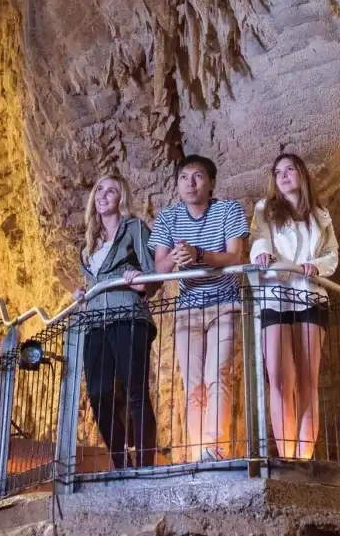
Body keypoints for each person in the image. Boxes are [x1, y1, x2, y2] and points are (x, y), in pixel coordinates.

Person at [148, 155, 249, 462]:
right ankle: (196, 453)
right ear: (177, 184)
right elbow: (159, 267)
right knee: (192, 383)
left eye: (198, 177)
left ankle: (215, 450)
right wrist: (178, 257)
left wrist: (200, 254)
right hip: (187, 310)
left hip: (224, 304)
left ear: (211, 183)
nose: (190, 183)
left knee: (217, 376)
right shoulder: (168, 217)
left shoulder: (228, 209)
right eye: (183, 178)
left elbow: (235, 258)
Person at [249, 153, 338, 460]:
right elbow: (258, 238)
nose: (283, 176)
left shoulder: (320, 215)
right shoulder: (265, 209)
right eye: (278, 172)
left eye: (289, 170)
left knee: (307, 379)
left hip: (309, 293)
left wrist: (313, 266)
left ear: (301, 174)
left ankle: (303, 456)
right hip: (275, 293)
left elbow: (331, 256)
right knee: (279, 377)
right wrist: (261, 253)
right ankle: (287, 455)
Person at [73, 176, 159, 468]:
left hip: (128, 317)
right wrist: (82, 293)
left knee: (135, 391)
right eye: (99, 189)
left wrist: (140, 282)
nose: (103, 195)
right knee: (98, 393)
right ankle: (122, 462)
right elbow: (94, 280)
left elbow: (153, 275)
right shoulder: (88, 245)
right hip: (96, 322)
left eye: (111, 190)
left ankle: (146, 462)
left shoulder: (134, 229)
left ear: (121, 198)